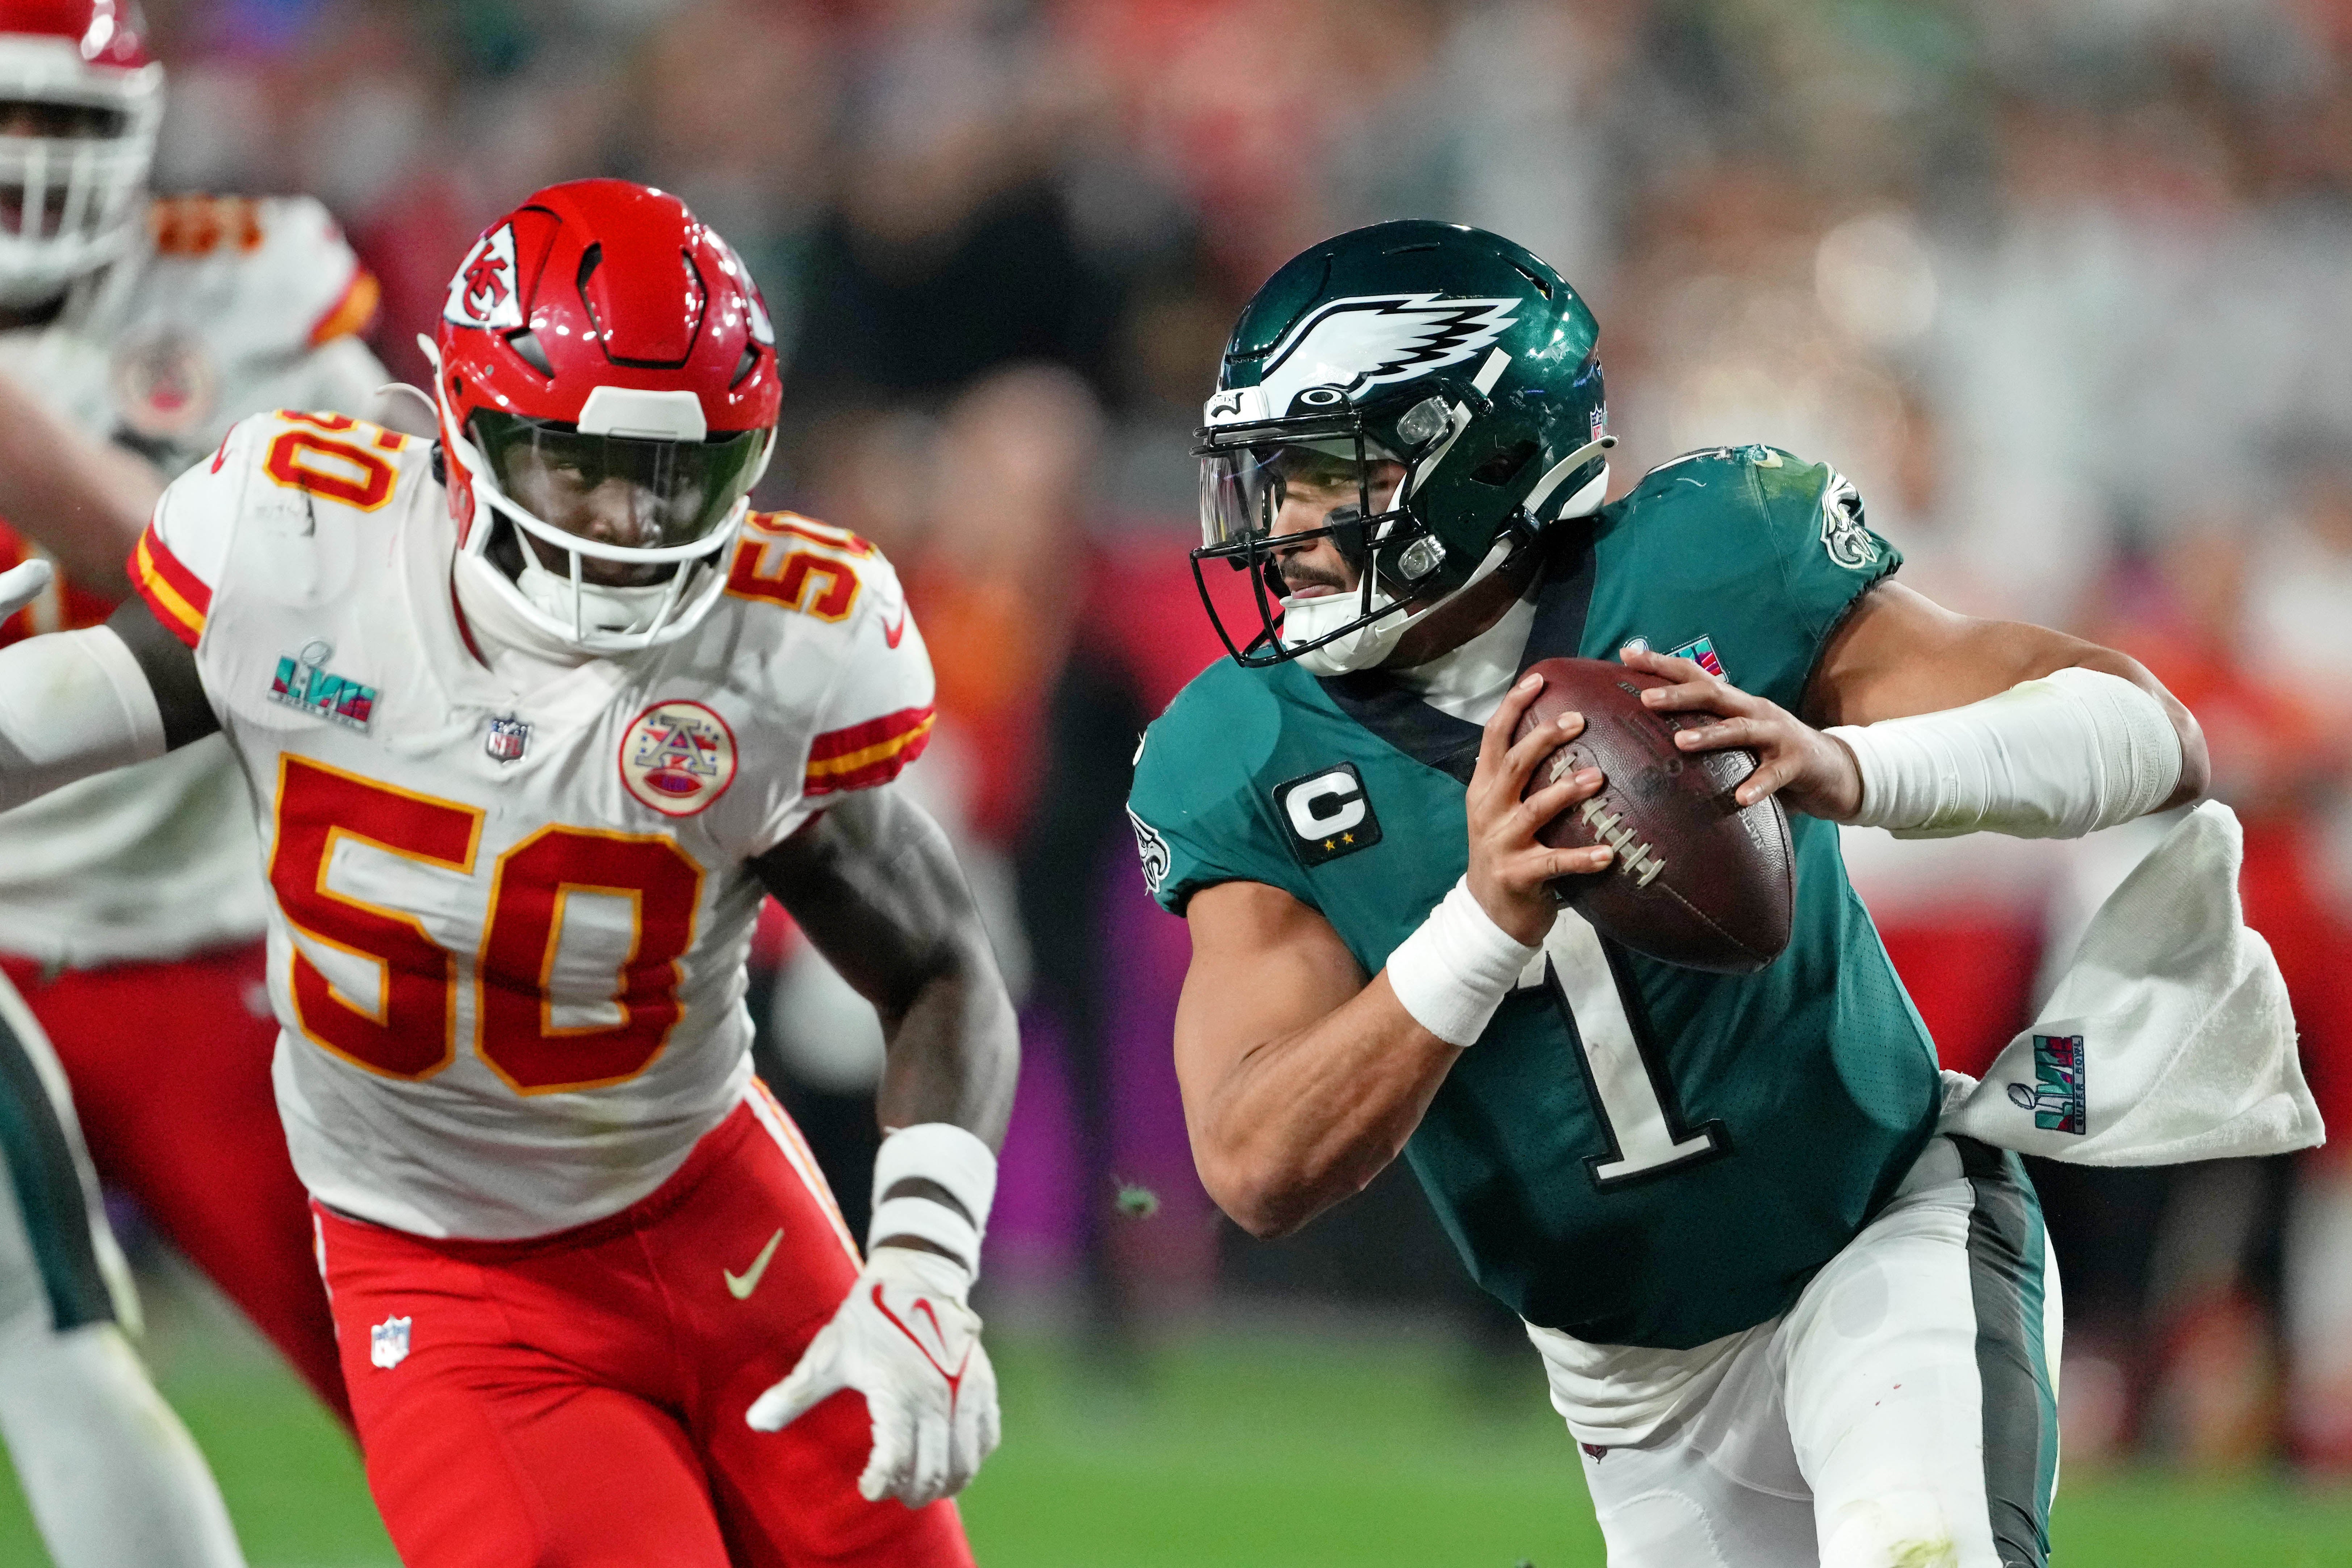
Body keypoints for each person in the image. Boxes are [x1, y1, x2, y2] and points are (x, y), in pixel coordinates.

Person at [1126, 221, 2215, 1568]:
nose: (1282, 527)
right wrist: (1482, 919)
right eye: (1272, 480)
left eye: (1329, 472)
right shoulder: (1242, 748)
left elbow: (2150, 734)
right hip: (1628, 1388)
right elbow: (1253, 1160)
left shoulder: (1712, 550)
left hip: (1880, 1232)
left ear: (1484, 453)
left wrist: (1848, 764)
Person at [0, 177, 1017, 1567]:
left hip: (721, 1206)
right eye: (578, 463)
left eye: (678, 475)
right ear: (466, 428)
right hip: (451, 1274)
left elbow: (943, 966)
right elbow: (64, 710)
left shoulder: (788, 644)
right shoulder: (309, 555)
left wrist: (918, 1269)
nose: (628, 521)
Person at [0, 0, 394, 1439]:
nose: (27, 159)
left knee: (409, 1374)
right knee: (48, 1365)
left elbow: (384, 545)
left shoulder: (248, 283)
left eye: (61, 121)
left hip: (190, 945)